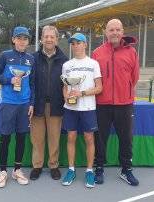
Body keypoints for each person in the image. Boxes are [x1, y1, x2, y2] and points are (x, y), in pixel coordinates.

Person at [92, 19, 140, 186]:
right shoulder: (97, 53)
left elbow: (134, 78)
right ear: (106, 32)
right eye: (111, 30)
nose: (114, 33)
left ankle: (126, 169)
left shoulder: (131, 52)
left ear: (122, 31)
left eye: (118, 29)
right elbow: (93, 79)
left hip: (125, 104)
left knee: (126, 138)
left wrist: (124, 92)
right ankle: (99, 167)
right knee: (100, 138)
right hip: (102, 104)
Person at [0, 26, 35, 188]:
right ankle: (3, 171)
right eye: (19, 38)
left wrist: (32, 103)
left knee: (22, 137)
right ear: (13, 40)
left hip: (24, 105)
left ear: (28, 41)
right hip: (9, 104)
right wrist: (9, 80)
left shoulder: (31, 59)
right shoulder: (5, 56)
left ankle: (17, 170)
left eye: (25, 38)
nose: (22, 41)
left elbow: (33, 83)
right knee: (5, 137)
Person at [61, 33, 102, 188]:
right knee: (70, 137)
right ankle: (71, 169)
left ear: (85, 44)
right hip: (70, 108)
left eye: (79, 43)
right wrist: (66, 97)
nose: (75, 46)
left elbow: (99, 88)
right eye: (73, 43)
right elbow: (65, 86)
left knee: (89, 139)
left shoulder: (93, 64)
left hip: (88, 108)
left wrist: (82, 93)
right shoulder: (67, 65)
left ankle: (89, 170)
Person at [30, 25, 68, 180]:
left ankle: (53, 165)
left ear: (57, 39)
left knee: (54, 138)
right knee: (37, 138)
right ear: (41, 39)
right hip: (37, 104)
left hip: (56, 105)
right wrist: (30, 102)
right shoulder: (33, 58)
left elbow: (67, 84)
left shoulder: (65, 60)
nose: (49, 39)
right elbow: (30, 82)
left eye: (52, 37)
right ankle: (37, 166)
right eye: (46, 36)